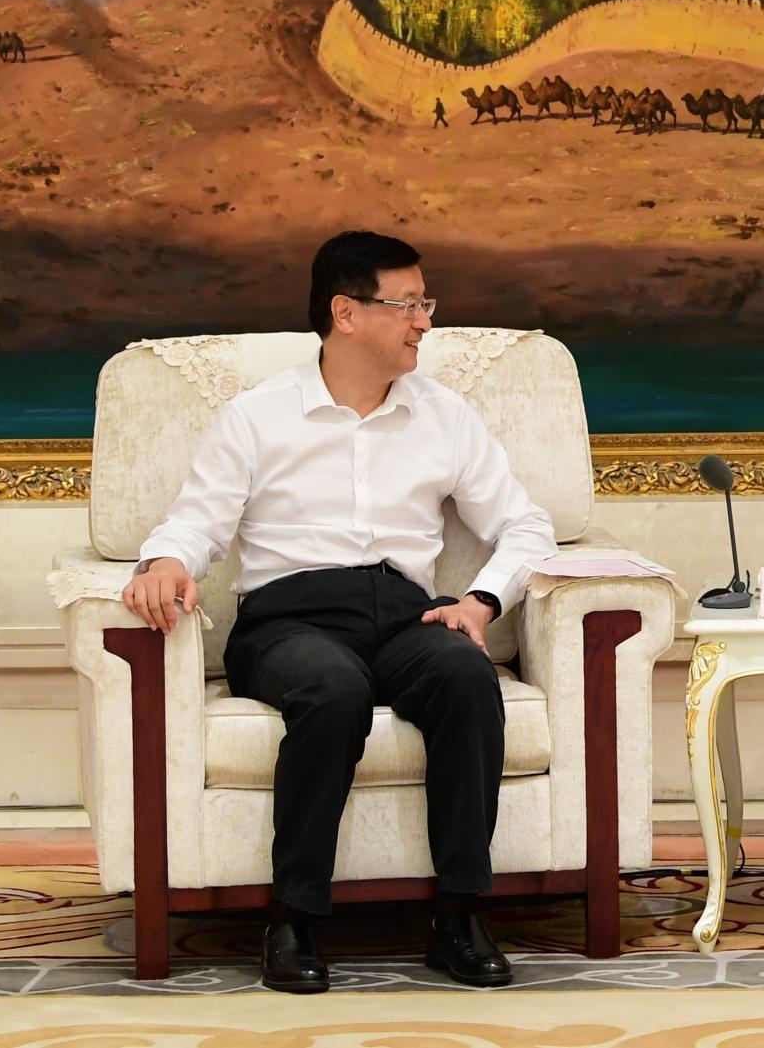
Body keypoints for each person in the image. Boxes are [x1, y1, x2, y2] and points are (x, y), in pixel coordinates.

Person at [121, 231, 557, 994]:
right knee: (332, 687)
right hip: (288, 620)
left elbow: (527, 525)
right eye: (407, 304)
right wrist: (165, 562)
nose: (425, 321)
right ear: (346, 313)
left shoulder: (445, 416)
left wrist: (482, 600)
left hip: (405, 616)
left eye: (426, 302)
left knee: (465, 674)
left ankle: (459, 916)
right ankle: (293, 918)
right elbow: (197, 521)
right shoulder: (258, 416)